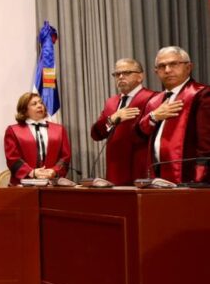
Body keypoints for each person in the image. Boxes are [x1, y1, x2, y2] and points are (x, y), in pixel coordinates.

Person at [136, 46, 210, 183]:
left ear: (188, 67)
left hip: (190, 176)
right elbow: (140, 135)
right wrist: (153, 117)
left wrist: (201, 178)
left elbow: (206, 143)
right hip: (157, 174)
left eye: (174, 64)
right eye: (162, 66)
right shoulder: (154, 101)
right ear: (156, 72)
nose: (167, 70)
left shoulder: (202, 94)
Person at [89, 58, 156, 185]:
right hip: (115, 167)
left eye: (126, 73)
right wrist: (112, 119)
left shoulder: (153, 98)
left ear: (140, 76)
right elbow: (96, 134)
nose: (120, 77)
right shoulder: (111, 102)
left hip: (140, 165)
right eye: (117, 74)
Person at [4, 92, 72, 185]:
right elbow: (12, 158)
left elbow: (65, 156)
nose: (40, 106)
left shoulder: (59, 129)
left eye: (41, 103)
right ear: (24, 109)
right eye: (34, 104)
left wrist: (54, 171)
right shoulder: (13, 130)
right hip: (22, 185)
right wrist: (32, 172)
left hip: (52, 184)